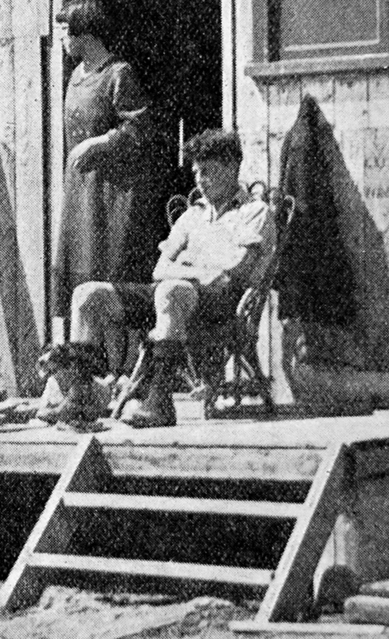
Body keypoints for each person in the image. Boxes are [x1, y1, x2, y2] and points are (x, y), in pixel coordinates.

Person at [68, 129, 276, 428]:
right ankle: (80, 396)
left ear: (232, 167)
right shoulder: (191, 215)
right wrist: (198, 271)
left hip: (221, 307)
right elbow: (160, 269)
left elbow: (233, 269)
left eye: (208, 172)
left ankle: (160, 402)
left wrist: (186, 267)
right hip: (173, 294)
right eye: (196, 173)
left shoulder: (254, 212)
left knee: (170, 290)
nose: (200, 181)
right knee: (88, 294)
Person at [50, 0, 163, 373]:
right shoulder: (75, 76)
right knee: (79, 273)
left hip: (114, 196)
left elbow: (140, 128)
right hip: (81, 194)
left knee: (112, 274)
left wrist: (100, 142)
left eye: (66, 32)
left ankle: (121, 371)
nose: (62, 40)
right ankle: (84, 375)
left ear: (86, 32)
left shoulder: (118, 74)